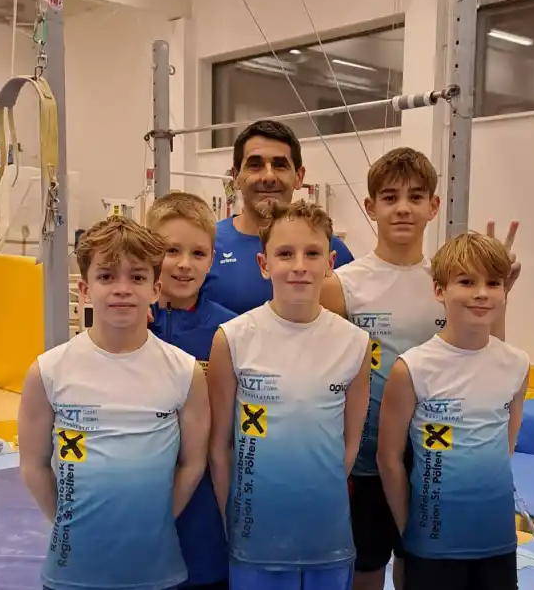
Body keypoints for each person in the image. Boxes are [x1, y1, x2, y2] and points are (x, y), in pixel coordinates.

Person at [319, 147, 520, 590]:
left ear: (434, 206)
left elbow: (487, 361)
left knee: (423, 567)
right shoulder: (342, 286)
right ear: (371, 208)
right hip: (370, 460)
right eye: (389, 198)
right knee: (367, 567)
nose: (403, 208)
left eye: (416, 197)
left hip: (437, 460)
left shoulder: (454, 279)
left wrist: (500, 289)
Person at [18, 216, 210, 590]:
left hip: (155, 570)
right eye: (107, 277)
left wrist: (158, 519)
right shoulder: (49, 371)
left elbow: (192, 463)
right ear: (85, 289)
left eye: (137, 277)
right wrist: (67, 520)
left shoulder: (184, 372)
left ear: (155, 288)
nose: (122, 289)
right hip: (73, 570)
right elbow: (33, 465)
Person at [207, 200, 371, 590]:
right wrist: (235, 516)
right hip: (255, 537)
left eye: (312, 253)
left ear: (330, 262)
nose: (299, 265)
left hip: (326, 536)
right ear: (264, 264)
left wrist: (316, 493)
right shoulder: (233, 338)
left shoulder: (356, 343)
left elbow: (349, 443)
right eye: (285, 253)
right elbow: (219, 446)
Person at [377, 231, 529, 590]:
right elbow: (388, 458)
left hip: (496, 539)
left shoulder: (516, 364)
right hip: (433, 544)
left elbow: (504, 447)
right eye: (466, 281)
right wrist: (408, 527)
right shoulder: (412, 367)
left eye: (493, 283)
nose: (481, 292)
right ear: (439, 290)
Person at [147, 191, 235, 590]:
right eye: (171, 250)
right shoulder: (124, 327)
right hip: (137, 499)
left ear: (212, 260)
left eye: (198, 253)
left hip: (205, 513)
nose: (184, 264)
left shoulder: (232, 333)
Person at [203, 119, 353, 314]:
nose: (268, 177)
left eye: (280, 165)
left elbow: (362, 327)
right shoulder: (206, 246)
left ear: (299, 177)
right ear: (235, 177)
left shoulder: (329, 248)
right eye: (255, 165)